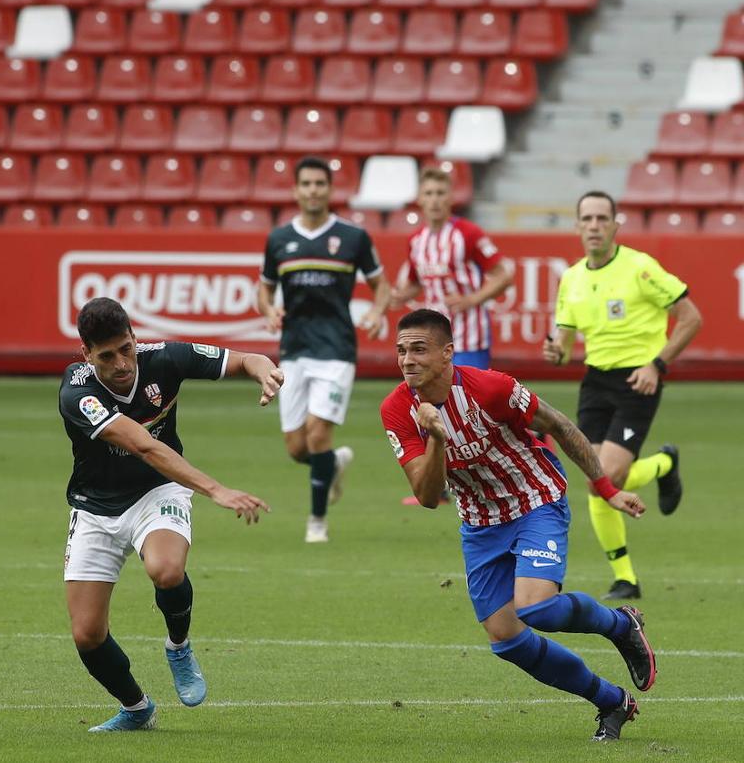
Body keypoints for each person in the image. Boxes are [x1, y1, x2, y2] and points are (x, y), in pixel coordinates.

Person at [381, 309, 657, 742]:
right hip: (480, 523)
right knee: (507, 639)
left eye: (419, 349)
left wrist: (606, 489)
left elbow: (562, 427)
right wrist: (436, 437)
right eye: (401, 351)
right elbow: (427, 495)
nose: (407, 360)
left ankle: (621, 624)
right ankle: (612, 701)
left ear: (448, 352)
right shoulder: (397, 409)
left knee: (537, 607)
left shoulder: (492, 388)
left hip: (534, 500)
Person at [59, 297, 282, 732]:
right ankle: (137, 707)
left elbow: (245, 359)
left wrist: (263, 370)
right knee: (87, 634)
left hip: (158, 490)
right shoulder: (76, 391)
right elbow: (143, 445)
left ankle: (178, 645)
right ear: (86, 354)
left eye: (126, 348)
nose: (121, 363)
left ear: (134, 338)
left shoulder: (164, 358)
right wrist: (216, 489)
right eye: (106, 356)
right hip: (94, 508)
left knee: (165, 569)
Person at [543, 191, 701, 600]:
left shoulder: (640, 268)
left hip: (638, 380)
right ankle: (625, 579)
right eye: (586, 219)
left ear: (615, 225)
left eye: (601, 218)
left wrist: (657, 365)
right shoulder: (572, 277)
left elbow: (690, 317)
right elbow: (562, 347)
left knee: (607, 476)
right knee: (597, 480)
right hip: (596, 382)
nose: (594, 225)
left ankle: (665, 464)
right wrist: (554, 351)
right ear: (578, 227)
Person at [256, 155, 392, 543]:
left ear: (330, 190)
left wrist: (379, 311)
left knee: (317, 435)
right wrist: (268, 309)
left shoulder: (352, 238)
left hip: (336, 350)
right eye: (307, 184)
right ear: (295, 190)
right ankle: (333, 464)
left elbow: (381, 284)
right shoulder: (279, 239)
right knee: (298, 448)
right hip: (294, 350)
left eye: (320, 184)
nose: (313, 190)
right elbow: (263, 288)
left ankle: (317, 522)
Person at [390, 166, 516, 506]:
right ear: (420, 199)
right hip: (431, 344)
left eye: (440, 194)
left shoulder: (468, 234)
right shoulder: (416, 241)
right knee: (430, 408)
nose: (434, 200)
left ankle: (533, 437)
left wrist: (473, 299)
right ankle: (441, 485)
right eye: (428, 194)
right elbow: (417, 280)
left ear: (451, 199)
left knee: (476, 407)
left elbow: (504, 274)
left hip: (468, 336)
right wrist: (402, 295)